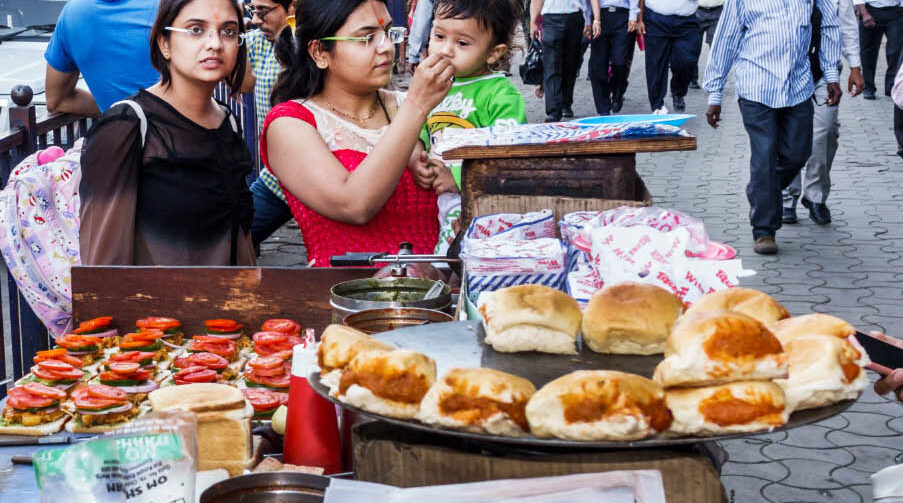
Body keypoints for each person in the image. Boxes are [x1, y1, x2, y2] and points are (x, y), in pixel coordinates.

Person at [262, 0, 453, 267]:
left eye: (388, 32)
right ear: (320, 53)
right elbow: (354, 205)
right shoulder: (291, 123)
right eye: (366, 38)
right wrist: (417, 106)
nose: (386, 46)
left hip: (438, 296)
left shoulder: (407, 106)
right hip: (348, 300)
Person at [79, 0, 255, 266]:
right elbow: (103, 264)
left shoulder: (227, 120)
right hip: (159, 305)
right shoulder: (126, 126)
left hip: (229, 301)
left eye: (228, 31)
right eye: (196, 30)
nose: (215, 44)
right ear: (164, 43)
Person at [704, 0, 842, 255]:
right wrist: (715, 93)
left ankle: (760, 192)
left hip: (798, 85)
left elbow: (830, 25)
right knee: (764, 154)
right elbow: (726, 38)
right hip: (756, 86)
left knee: (797, 153)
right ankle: (764, 230)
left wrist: (831, 74)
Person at [417, 0, 527, 255]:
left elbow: (505, 156)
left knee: (449, 260)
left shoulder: (500, 94)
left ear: (494, 53)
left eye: (462, 43)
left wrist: (458, 181)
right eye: (439, 36)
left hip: (474, 201)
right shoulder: (435, 86)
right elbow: (420, 128)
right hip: (435, 198)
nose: (445, 50)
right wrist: (416, 158)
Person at [783, 0, 864, 226]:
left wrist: (855, 66)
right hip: (784, 73)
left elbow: (847, 26)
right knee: (786, 135)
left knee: (825, 132)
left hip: (825, 74)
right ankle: (786, 198)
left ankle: (815, 197)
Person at [238, 0, 296, 250]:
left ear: (292, 8)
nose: (257, 20)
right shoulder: (258, 43)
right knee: (237, 239)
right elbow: (242, 84)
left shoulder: (317, 45)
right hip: (278, 179)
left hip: (325, 175)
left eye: (263, 12)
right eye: (254, 11)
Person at [44, 0, 160, 116]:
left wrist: (120, 109)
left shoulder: (72, 13)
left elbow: (56, 101)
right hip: (170, 127)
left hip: (124, 129)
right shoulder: (167, 6)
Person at [530, 0, 601, 122]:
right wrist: (533, 21)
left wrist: (596, 19)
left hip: (574, 18)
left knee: (570, 64)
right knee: (551, 65)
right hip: (550, 18)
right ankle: (553, 110)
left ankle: (566, 103)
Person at [642, 0, 701, 114]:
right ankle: (657, 105)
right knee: (655, 64)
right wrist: (638, 17)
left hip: (686, 20)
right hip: (655, 19)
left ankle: (678, 92)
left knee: (687, 61)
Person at [589, 0, 641, 115]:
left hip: (623, 15)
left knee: (620, 62)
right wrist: (589, 19)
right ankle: (603, 109)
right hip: (600, 15)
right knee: (598, 65)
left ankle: (617, 92)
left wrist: (633, 16)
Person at [856, 0, 903, 100]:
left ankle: (891, 86)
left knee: (896, 51)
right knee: (868, 53)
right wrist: (864, 13)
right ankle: (868, 87)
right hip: (870, 10)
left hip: (895, 12)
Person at [689, 0, 723, 90]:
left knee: (715, 48)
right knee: (693, 47)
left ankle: (714, 80)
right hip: (697, 11)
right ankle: (692, 79)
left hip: (717, 12)